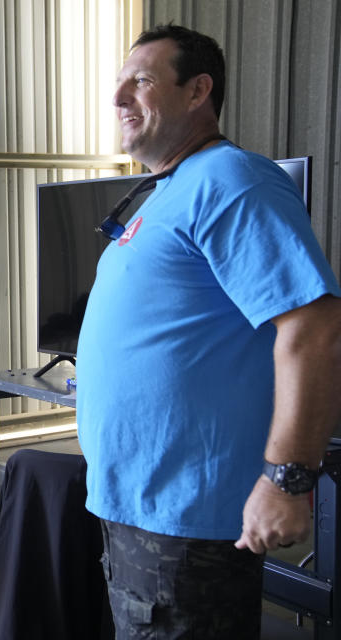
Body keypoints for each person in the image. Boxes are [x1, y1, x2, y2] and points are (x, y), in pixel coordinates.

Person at [76, 24, 341, 638]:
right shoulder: (167, 189)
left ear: (199, 91)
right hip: (142, 504)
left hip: (187, 515)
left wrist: (287, 478)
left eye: (140, 81)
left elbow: (315, 327)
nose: (119, 97)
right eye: (118, 82)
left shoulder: (233, 180)